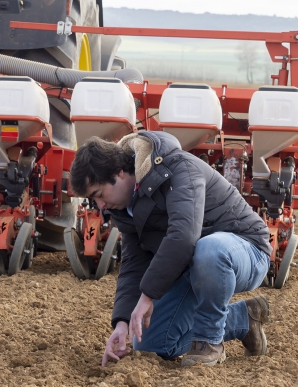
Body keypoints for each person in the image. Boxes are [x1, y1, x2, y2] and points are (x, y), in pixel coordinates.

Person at [69, 131, 272, 367]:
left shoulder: (178, 168)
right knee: (150, 344)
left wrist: (147, 296)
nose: (100, 205)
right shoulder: (125, 208)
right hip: (192, 265)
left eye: (99, 194)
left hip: (245, 249)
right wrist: (122, 323)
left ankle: (209, 341)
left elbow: (184, 236)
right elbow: (134, 263)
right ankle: (244, 319)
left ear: (119, 172)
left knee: (210, 249)